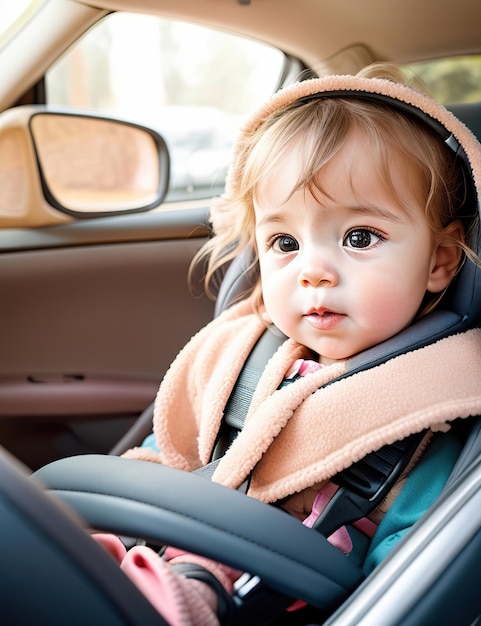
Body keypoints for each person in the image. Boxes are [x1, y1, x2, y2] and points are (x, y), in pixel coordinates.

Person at [95, 64, 481, 625]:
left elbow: (414, 579)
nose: (314, 271)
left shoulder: (434, 413)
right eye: (284, 241)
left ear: (440, 261)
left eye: (359, 237)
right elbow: (163, 458)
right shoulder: (237, 357)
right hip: (155, 555)